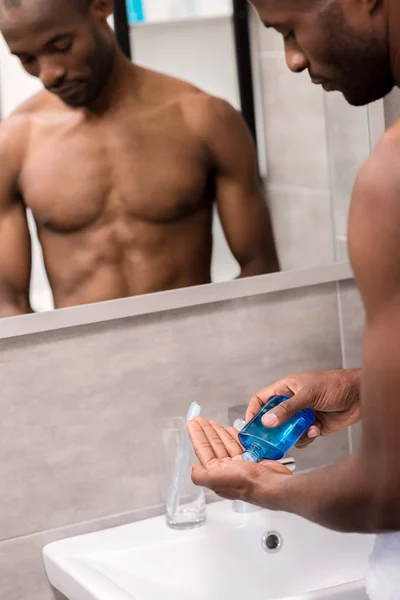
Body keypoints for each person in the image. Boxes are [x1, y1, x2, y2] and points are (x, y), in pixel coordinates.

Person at [188, 0, 400, 595]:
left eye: (287, 28)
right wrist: (366, 388)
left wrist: (259, 485)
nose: (291, 59)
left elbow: (387, 491)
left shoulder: (393, 176)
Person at [0, 0, 278, 318]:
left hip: (193, 348)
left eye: (61, 45)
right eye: (27, 59)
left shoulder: (204, 119)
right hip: (82, 357)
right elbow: (8, 303)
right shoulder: (14, 143)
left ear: (101, 6)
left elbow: (261, 269)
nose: (49, 74)